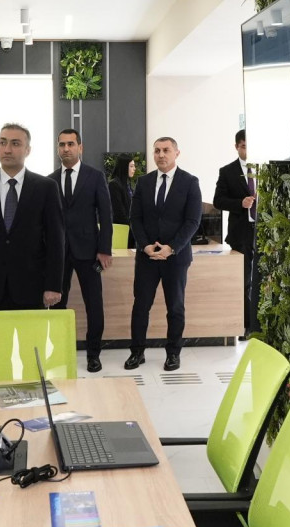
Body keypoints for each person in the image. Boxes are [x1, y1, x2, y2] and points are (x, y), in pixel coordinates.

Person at [0, 123, 64, 312]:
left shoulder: (46, 187)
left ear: (27, 150)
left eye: (15, 143)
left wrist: (53, 285)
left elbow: (55, 240)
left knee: (32, 334)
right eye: (2, 143)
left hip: (32, 287)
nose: (7, 149)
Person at [125, 137, 201, 372]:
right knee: (141, 306)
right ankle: (137, 352)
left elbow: (192, 221)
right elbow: (135, 218)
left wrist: (172, 247)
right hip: (147, 256)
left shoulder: (190, 182)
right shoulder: (144, 182)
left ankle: (173, 354)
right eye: (157, 150)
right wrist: (145, 245)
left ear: (177, 153)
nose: (161, 155)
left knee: (175, 307)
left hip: (175, 258)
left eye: (166, 150)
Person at [54, 128, 115, 373]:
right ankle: (59, 353)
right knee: (57, 304)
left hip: (89, 251)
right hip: (58, 253)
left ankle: (93, 355)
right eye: (62, 144)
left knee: (94, 304)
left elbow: (106, 215)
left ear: (80, 147)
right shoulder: (49, 180)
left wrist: (105, 249)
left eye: (71, 144)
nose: (66, 148)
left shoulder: (95, 176)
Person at [212, 128, 259, 338]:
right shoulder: (227, 171)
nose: (247, 151)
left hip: (263, 231)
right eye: (243, 147)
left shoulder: (264, 167)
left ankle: (261, 323)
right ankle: (246, 326)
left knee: (261, 278)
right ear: (236, 147)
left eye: (250, 146)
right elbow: (218, 201)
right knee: (244, 280)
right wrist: (240, 203)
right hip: (241, 233)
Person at [109, 155, 137, 225]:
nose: (134, 169)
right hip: (121, 228)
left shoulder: (128, 185)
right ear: (124, 167)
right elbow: (119, 213)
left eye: (134, 166)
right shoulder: (114, 185)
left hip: (129, 227)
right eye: (131, 166)